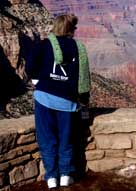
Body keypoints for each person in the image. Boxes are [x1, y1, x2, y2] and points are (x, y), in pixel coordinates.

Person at [25, 14, 90, 189]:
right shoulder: (78, 48)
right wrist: (84, 102)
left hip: (44, 99)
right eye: (74, 28)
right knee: (66, 139)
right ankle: (66, 175)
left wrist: (36, 79)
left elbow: (30, 65)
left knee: (47, 140)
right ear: (70, 29)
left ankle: (52, 177)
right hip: (67, 103)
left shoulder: (44, 45)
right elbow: (83, 78)